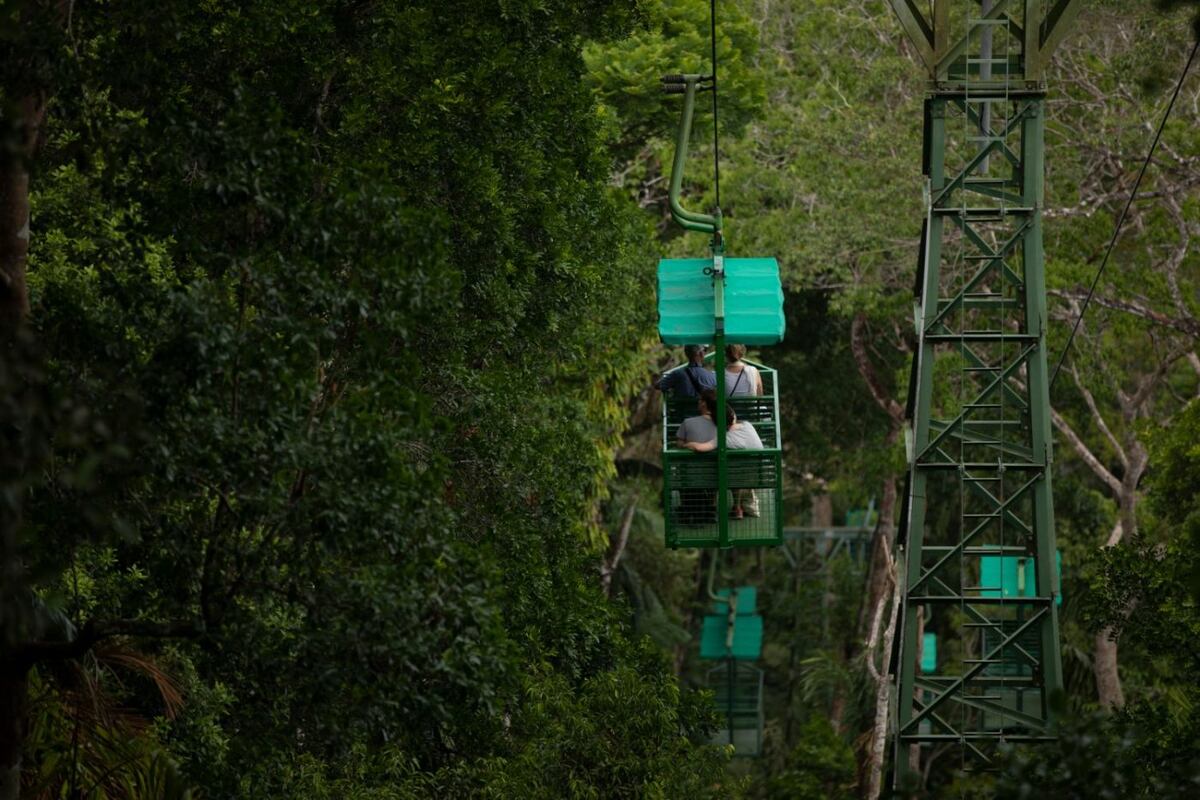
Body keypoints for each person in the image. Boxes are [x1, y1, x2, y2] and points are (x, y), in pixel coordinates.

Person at [679, 392, 764, 520]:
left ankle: (714, 506)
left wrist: (686, 445)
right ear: (733, 417)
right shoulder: (748, 425)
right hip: (758, 476)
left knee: (721, 468)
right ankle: (737, 507)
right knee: (736, 468)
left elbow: (699, 448)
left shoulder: (723, 439)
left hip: (736, 478)